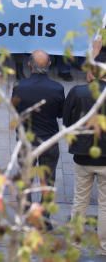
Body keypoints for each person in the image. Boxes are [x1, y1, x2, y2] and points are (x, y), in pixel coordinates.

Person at [63, 39, 106, 256]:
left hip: (82, 155)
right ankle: (104, 246)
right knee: (105, 205)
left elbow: (68, 123)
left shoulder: (78, 92)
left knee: (80, 201)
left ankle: (75, 242)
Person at [12, 50, 65, 214]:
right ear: (49, 65)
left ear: (29, 65)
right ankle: (45, 217)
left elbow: (14, 111)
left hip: (26, 141)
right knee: (48, 181)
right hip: (48, 140)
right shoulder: (57, 88)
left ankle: (26, 212)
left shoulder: (19, 87)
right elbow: (60, 113)